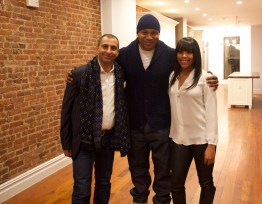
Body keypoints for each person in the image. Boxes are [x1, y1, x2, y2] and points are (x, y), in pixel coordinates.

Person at [66, 14, 219, 204]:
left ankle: (162, 200)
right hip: (135, 125)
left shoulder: (171, 54)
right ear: (138, 33)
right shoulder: (124, 54)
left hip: (162, 125)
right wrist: (77, 73)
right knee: (137, 169)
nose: (149, 37)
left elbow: (188, 69)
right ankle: (140, 200)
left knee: (163, 169)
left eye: (154, 33)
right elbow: (104, 59)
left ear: (159, 34)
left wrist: (211, 77)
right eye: (144, 32)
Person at [60, 34, 130, 204]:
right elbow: (66, 110)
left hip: (107, 139)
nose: (108, 51)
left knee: (104, 183)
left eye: (113, 48)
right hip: (83, 140)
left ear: (118, 52)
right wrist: (66, 142)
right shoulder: (79, 74)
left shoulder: (121, 74)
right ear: (97, 48)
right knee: (82, 188)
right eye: (105, 46)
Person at [168, 37, 218, 204]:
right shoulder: (172, 77)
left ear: (195, 55)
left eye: (189, 52)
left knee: (206, 183)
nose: (184, 56)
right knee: (175, 184)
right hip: (179, 139)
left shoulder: (205, 79)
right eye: (180, 52)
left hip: (202, 139)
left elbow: (212, 113)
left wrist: (212, 145)